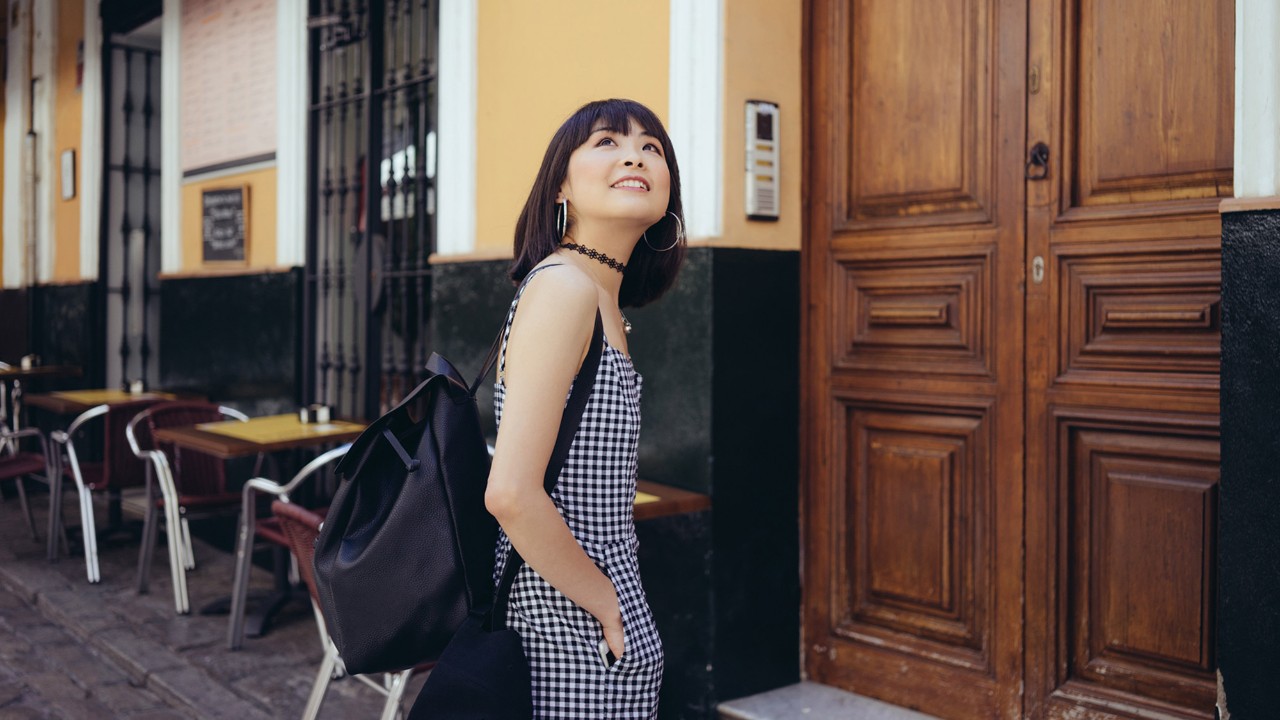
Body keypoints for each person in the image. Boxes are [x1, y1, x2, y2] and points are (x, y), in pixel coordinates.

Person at [483, 98, 685, 719]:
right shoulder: (564, 289)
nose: (635, 154)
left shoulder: (602, 301)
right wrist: (605, 602)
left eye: (652, 147)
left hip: (594, 618)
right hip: (565, 626)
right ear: (560, 186)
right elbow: (511, 493)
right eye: (607, 141)